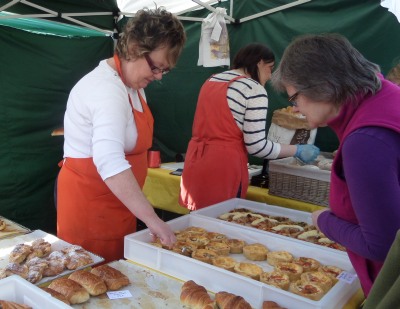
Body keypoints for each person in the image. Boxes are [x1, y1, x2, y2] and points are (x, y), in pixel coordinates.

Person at [270, 33, 400, 297]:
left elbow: (382, 245)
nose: (295, 109)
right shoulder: (386, 97)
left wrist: (324, 220)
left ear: (322, 85)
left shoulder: (365, 141)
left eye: (295, 98)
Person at [57, 8, 186, 263]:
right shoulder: (106, 90)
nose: (159, 76)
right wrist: (152, 219)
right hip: (92, 210)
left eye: (165, 70)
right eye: (156, 67)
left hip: (119, 205)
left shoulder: (133, 85)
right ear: (136, 48)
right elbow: (110, 161)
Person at [179, 43, 320, 211]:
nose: (268, 77)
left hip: (196, 162)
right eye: (270, 68)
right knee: (221, 227)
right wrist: (296, 150)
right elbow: (257, 147)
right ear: (259, 63)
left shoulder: (211, 80)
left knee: (197, 226)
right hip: (224, 168)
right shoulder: (254, 89)